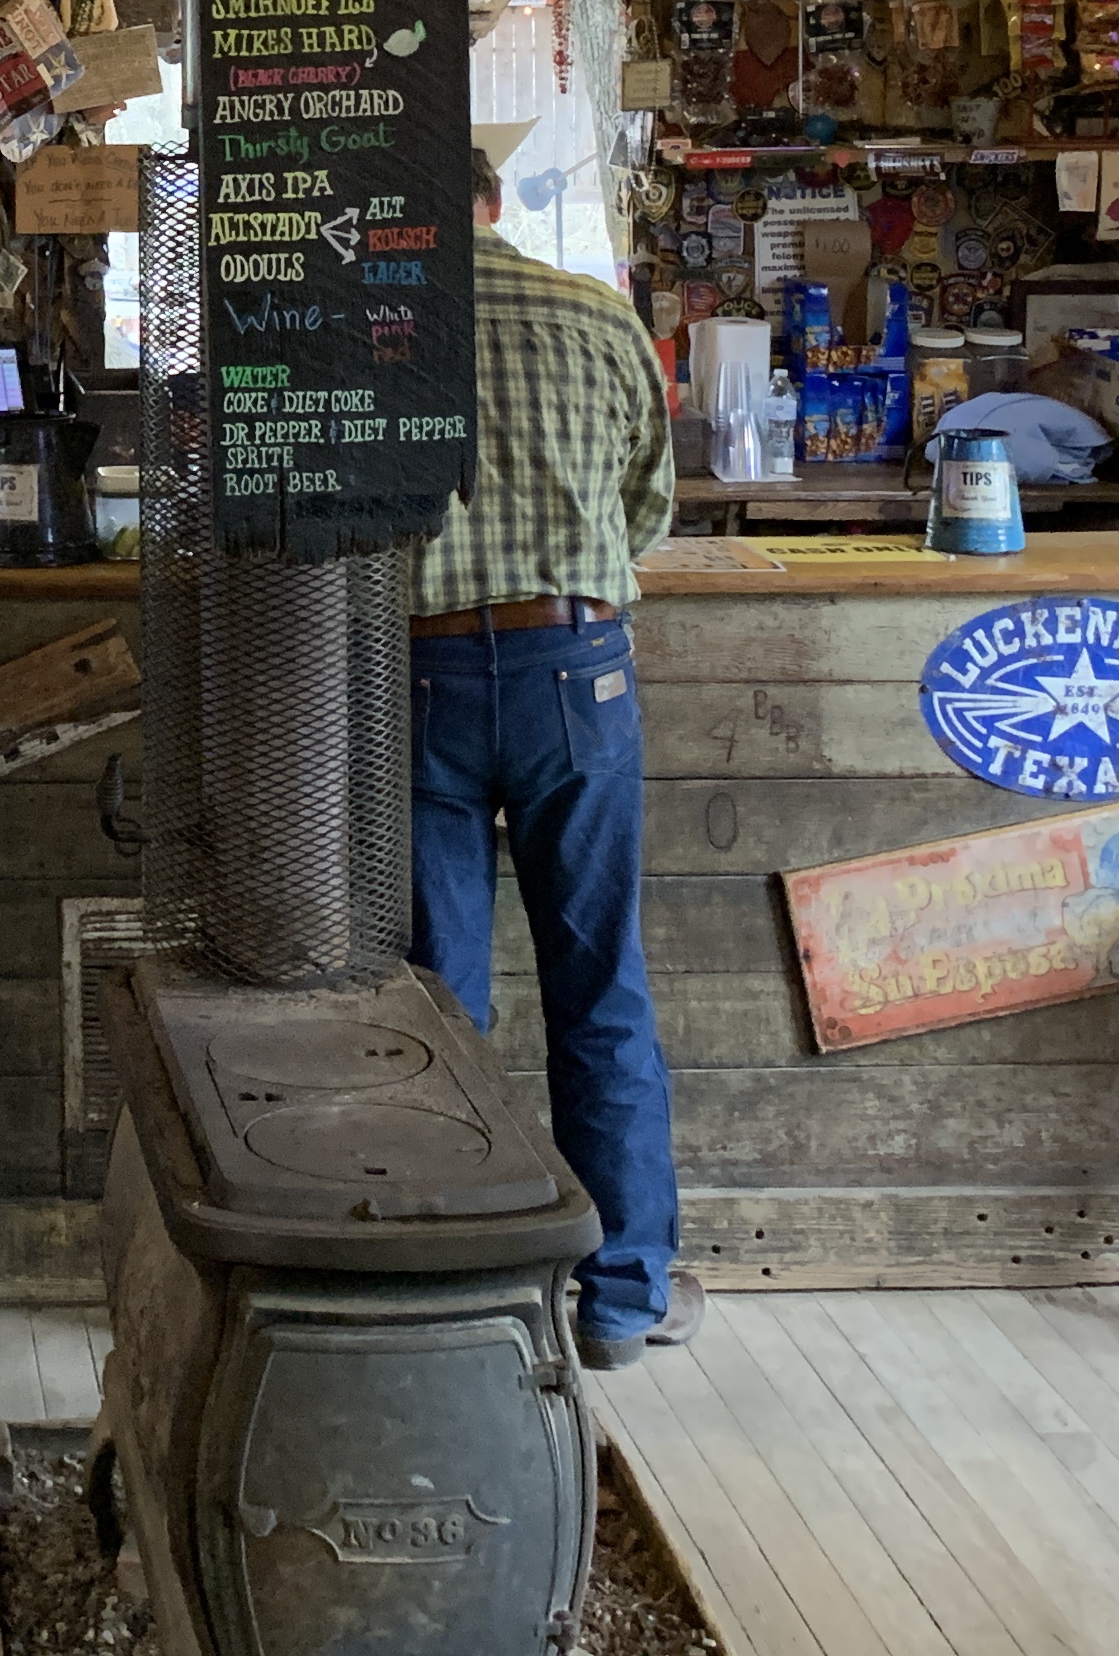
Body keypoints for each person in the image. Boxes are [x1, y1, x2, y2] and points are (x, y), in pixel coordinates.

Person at [411, 149, 692, 1373]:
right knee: (599, 983)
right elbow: (648, 510)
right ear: (495, 207)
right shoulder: (597, 315)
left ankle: (457, 1282)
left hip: (417, 674)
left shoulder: (376, 332)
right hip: (575, 668)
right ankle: (622, 1296)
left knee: (439, 1001)